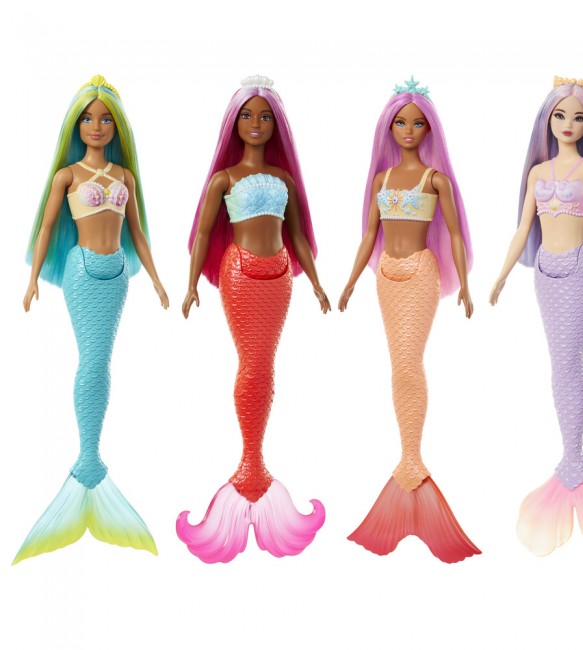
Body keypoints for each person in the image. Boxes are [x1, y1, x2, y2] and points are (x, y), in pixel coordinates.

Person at [490, 77, 583, 564]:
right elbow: (523, 229)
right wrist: (501, 275)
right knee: (558, 361)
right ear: (548, 120)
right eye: (561, 116)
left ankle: (573, 457)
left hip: (579, 268)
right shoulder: (538, 172)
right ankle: (571, 456)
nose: (569, 125)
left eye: (579, 118)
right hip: (545, 272)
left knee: (568, 359)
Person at [16, 75, 169, 564]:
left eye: (105, 119)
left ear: (116, 126)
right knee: (93, 361)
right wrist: (33, 278)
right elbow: (46, 226)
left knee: (101, 360)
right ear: (75, 125)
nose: (96, 126)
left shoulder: (125, 176)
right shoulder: (68, 176)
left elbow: (138, 232)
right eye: (87, 119)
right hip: (82, 270)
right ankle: (88, 457)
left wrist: (157, 279)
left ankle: (90, 457)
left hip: (117, 273)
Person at [177, 75, 328, 563]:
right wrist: (191, 283)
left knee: (266, 362)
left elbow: (297, 235)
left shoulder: (284, 180)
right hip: (240, 272)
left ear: (276, 124)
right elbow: (203, 233)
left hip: (280, 273)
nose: (256, 124)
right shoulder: (223, 180)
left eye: (264, 116)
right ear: (234, 123)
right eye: (247, 116)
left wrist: (317, 282)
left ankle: (255, 460)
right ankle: (250, 460)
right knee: (252, 362)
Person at [339, 77, 480, 562]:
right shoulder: (381, 181)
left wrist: (465, 284)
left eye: (417, 124)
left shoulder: (436, 181)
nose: (408, 130)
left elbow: (456, 235)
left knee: (407, 362)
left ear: (429, 129)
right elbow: (368, 236)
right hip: (386, 276)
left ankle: (411, 459)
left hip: (421, 272)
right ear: (389, 128)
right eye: (400, 122)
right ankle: (408, 456)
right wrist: (350, 281)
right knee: (396, 362)